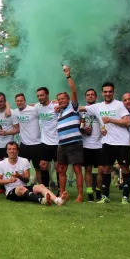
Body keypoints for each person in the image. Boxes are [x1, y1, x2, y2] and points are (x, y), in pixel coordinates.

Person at [81, 82, 130, 204]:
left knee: (124, 168)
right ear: (102, 93)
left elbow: (127, 122)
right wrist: (56, 103)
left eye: (110, 91)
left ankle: (125, 196)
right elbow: (80, 108)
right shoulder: (98, 106)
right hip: (107, 143)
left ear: (114, 92)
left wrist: (110, 120)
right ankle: (105, 196)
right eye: (105, 91)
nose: (108, 94)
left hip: (122, 142)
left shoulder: (120, 105)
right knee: (106, 169)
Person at [0, 142, 68, 206]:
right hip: (11, 192)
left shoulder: (24, 161)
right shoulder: (2, 164)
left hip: (24, 188)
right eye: (9, 149)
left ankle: (58, 201)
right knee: (20, 188)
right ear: (6, 151)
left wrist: (19, 176)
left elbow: (26, 180)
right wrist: (9, 180)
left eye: (14, 149)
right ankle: (42, 200)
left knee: (40, 186)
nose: (12, 151)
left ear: (18, 151)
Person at [55, 65, 84, 202]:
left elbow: (73, 90)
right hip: (62, 144)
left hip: (74, 143)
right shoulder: (59, 112)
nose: (61, 100)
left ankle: (79, 195)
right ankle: (62, 193)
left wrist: (68, 75)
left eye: (63, 98)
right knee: (61, 169)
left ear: (68, 100)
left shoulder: (73, 107)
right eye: (59, 99)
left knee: (77, 169)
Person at [0, 92, 20, 194]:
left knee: (9, 166)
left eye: (1, 101)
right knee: (0, 167)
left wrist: (6, 133)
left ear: (5, 102)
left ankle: (12, 187)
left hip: (8, 144)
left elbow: (17, 129)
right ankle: (2, 188)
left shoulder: (11, 113)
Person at [13, 93, 42, 185]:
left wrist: (55, 102)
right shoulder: (15, 112)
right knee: (22, 168)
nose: (19, 102)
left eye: (21, 100)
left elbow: (43, 107)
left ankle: (43, 188)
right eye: (17, 101)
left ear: (25, 101)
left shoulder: (34, 110)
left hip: (36, 144)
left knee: (38, 168)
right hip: (24, 145)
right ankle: (22, 186)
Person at [80, 89, 104, 202]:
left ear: (96, 97)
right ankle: (89, 192)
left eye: (92, 95)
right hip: (86, 145)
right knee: (88, 169)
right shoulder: (81, 111)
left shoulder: (101, 108)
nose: (90, 96)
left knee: (101, 170)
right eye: (88, 95)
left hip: (100, 144)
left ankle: (98, 191)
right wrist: (84, 130)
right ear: (85, 98)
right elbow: (77, 127)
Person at [35, 87, 60, 190]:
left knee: (59, 168)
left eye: (42, 95)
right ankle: (45, 189)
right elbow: (29, 106)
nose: (40, 97)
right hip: (45, 141)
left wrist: (58, 101)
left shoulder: (55, 105)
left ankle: (60, 190)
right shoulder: (37, 107)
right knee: (43, 166)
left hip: (58, 142)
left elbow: (69, 105)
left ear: (47, 95)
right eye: (38, 96)